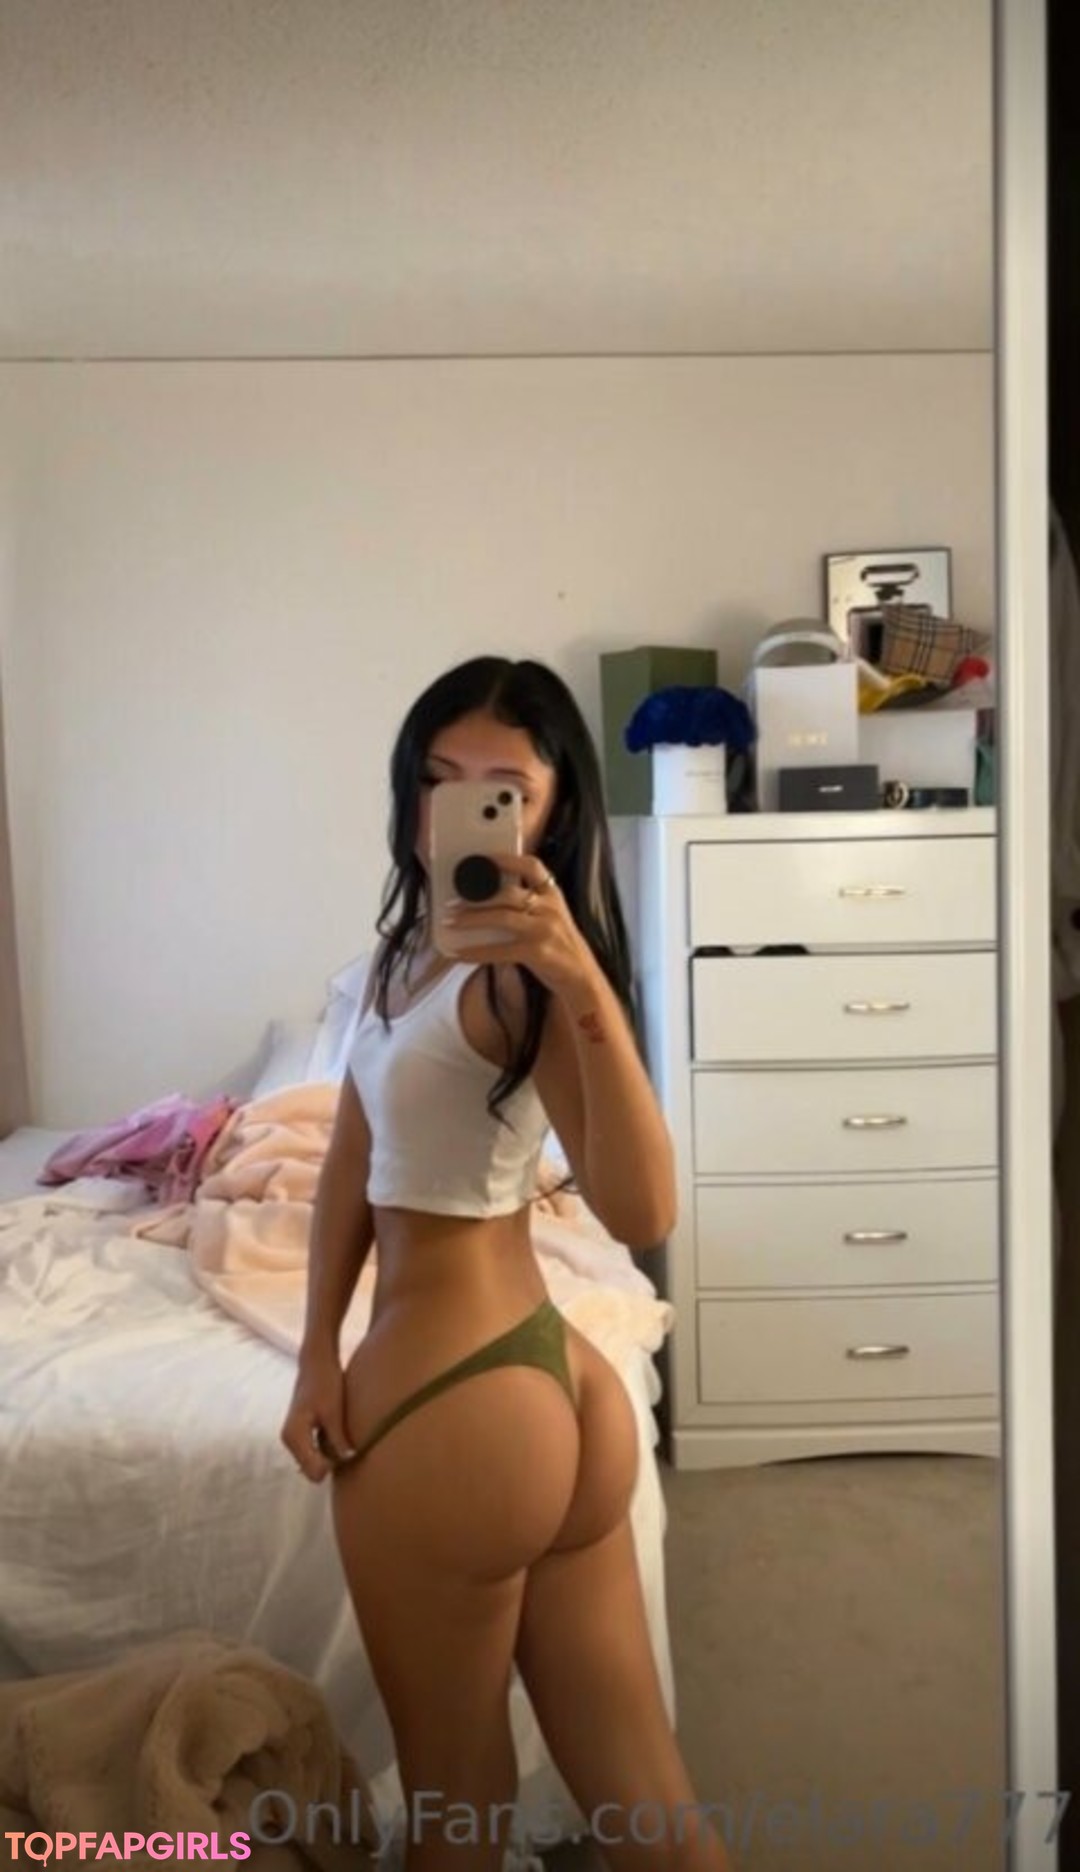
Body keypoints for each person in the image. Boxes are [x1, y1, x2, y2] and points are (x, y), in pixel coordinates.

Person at [280, 657, 733, 1872]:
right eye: (440, 780)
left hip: (454, 1409)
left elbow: (641, 1208)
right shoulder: (401, 955)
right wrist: (315, 1351)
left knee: (456, 1805)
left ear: (553, 810)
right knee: (644, 1799)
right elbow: (350, 1163)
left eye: (505, 790)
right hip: (549, 1391)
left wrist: (583, 985)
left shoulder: (527, 985)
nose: (463, 810)